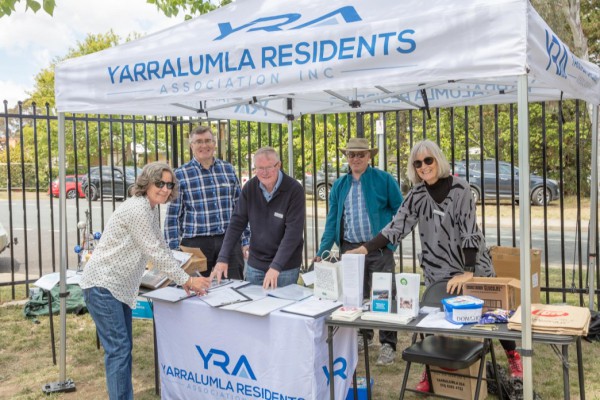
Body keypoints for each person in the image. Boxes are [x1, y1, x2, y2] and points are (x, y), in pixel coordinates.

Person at [347, 139, 523, 391]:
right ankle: (430, 372)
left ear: (438, 160)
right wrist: (365, 248)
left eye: (428, 160)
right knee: (431, 321)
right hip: (437, 270)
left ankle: (513, 357)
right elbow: (395, 227)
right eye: (417, 163)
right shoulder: (417, 195)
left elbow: (469, 232)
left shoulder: (461, 189)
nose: (423, 166)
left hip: (471, 265)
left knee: (493, 317)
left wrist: (468, 272)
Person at [80, 162, 210, 400]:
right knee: (119, 350)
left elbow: (161, 246)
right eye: (159, 183)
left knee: (122, 349)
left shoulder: (150, 208)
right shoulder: (138, 208)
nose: (165, 189)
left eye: (169, 184)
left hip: (117, 288)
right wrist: (187, 281)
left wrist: (186, 278)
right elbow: (155, 252)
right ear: (146, 182)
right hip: (103, 285)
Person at [314, 137, 404, 366]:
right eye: (351, 154)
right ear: (347, 157)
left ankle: (388, 344)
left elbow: (402, 212)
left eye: (360, 154)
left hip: (379, 248)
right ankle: (363, 336)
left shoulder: (383, 180)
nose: (355, 158)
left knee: (384, 295)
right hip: (350, 249)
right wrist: (322, 250)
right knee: (355, 295)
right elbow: (332, 219)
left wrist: (391, 243)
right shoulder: (339, 185)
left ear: (369, 157)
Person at [212, 146, 305, 289]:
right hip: (255, 264)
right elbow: (236, 223)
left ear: (279, 165)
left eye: (269, 167)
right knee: (253, 308)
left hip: (285, 267)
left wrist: (276, 267)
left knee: (281, 308)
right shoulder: (250, 187)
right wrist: (223, 258)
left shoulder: (294, 190)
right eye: (260, 168)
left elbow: (293, 233)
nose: (264, 173)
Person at [164, 125, 249, 280]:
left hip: (229, 241)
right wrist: (174, 250)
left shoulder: (228, 169)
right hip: (195, 244)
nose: (204, 145)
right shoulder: (180, 174)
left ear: (214, 144)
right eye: (199, 142)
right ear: (191, 146)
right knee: (197, 294)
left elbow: (240, 209)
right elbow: (172, 217)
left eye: (208, 140)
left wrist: (245, 240)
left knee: (234, 289)